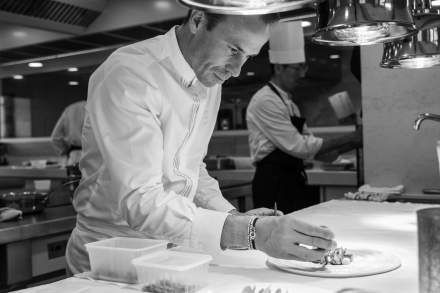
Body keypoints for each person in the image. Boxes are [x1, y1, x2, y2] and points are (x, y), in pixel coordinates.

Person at [66, 10, 337, 274]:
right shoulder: (130, 74)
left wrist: (235, 218)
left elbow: (191, 169)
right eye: (233, 49)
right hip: (110, 258)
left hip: (173, 252)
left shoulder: (209, 80)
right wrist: (251, 233)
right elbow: (141, 200)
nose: (236, 70)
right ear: (198, 20)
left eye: (247, 57)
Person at [247, 22, 362, 214]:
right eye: (297, 68)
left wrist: (354, 143)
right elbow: (299, 146)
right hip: (273, 183)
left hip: (292, 180)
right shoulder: (265, 100)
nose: (302, 74)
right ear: (278, 69)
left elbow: (314, 148)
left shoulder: (289, 103)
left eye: (303, 68)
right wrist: (352, 138)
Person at [51, 100, 86, 166]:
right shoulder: (96, 109)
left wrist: (65, 152)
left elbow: (55, 137)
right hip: (93, 158)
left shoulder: (69, 109)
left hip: (73, 157)